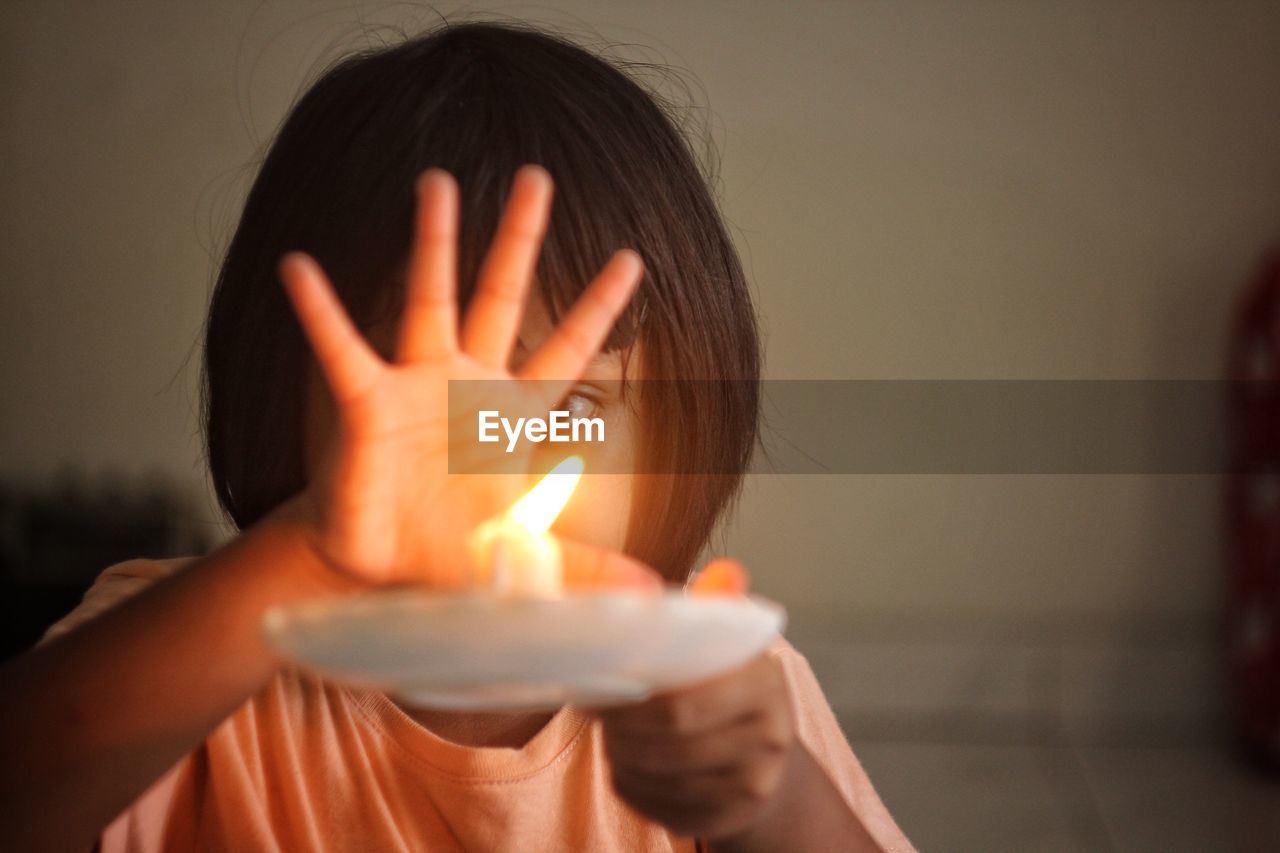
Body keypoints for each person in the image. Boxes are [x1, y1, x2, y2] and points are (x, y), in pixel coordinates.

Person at [0, 19, 913, 853]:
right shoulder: (188, 653)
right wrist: (316, 552)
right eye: (428, 406)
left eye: (576, 406)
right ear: (283, 394)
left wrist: (772, 794)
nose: (495, 462)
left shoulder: (706, 689)